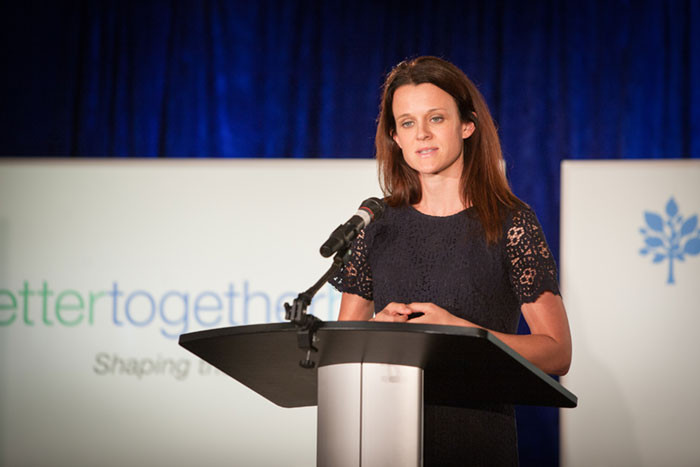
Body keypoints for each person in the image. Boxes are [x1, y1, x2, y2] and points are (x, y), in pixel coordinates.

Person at [329, 56, 572, 466]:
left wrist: (465, 333)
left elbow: (557, 352)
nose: (421, 133)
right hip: (382, 439)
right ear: (395, 137)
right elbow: (343, 346)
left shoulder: (510, 223)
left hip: (476, 439)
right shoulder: (376, 223)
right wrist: (373, 331)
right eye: (407, 123)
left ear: (467, 125)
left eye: (436, 118)